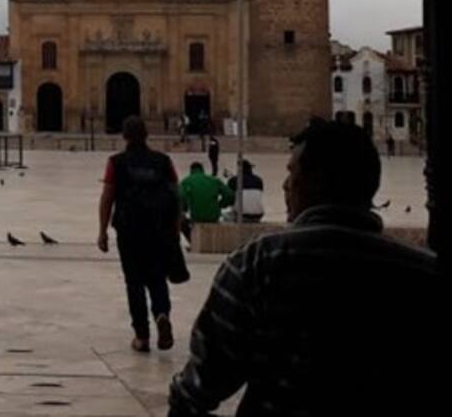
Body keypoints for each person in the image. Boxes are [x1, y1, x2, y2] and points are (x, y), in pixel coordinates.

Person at [168, 120, 438, 417]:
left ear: (316, 180)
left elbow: (199, 386)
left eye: (291, 173)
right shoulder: (425, 275)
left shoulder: (259, 264)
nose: (285, 185)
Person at [98, 116, 180, 353]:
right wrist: (175, 227)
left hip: (128, 229)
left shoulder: (116, 162)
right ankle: (162, 314)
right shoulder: (163, 161)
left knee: (133, 282)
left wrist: (102, 231)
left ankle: (142, 336)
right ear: (146, 135)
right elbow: (176, 196)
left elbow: (107, 198)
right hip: (159, 228)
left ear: (124, 136)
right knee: (157, 278)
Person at [178, 161, 233, 243]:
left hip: (197, 216)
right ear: (202, 170)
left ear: (191, 171)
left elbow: (181, 197)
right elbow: (230, 195)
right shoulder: (214, 180)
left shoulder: (186, 181)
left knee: (181, 221)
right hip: (214, 216)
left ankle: (193, 242)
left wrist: (185, 208)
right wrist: (220, 205)